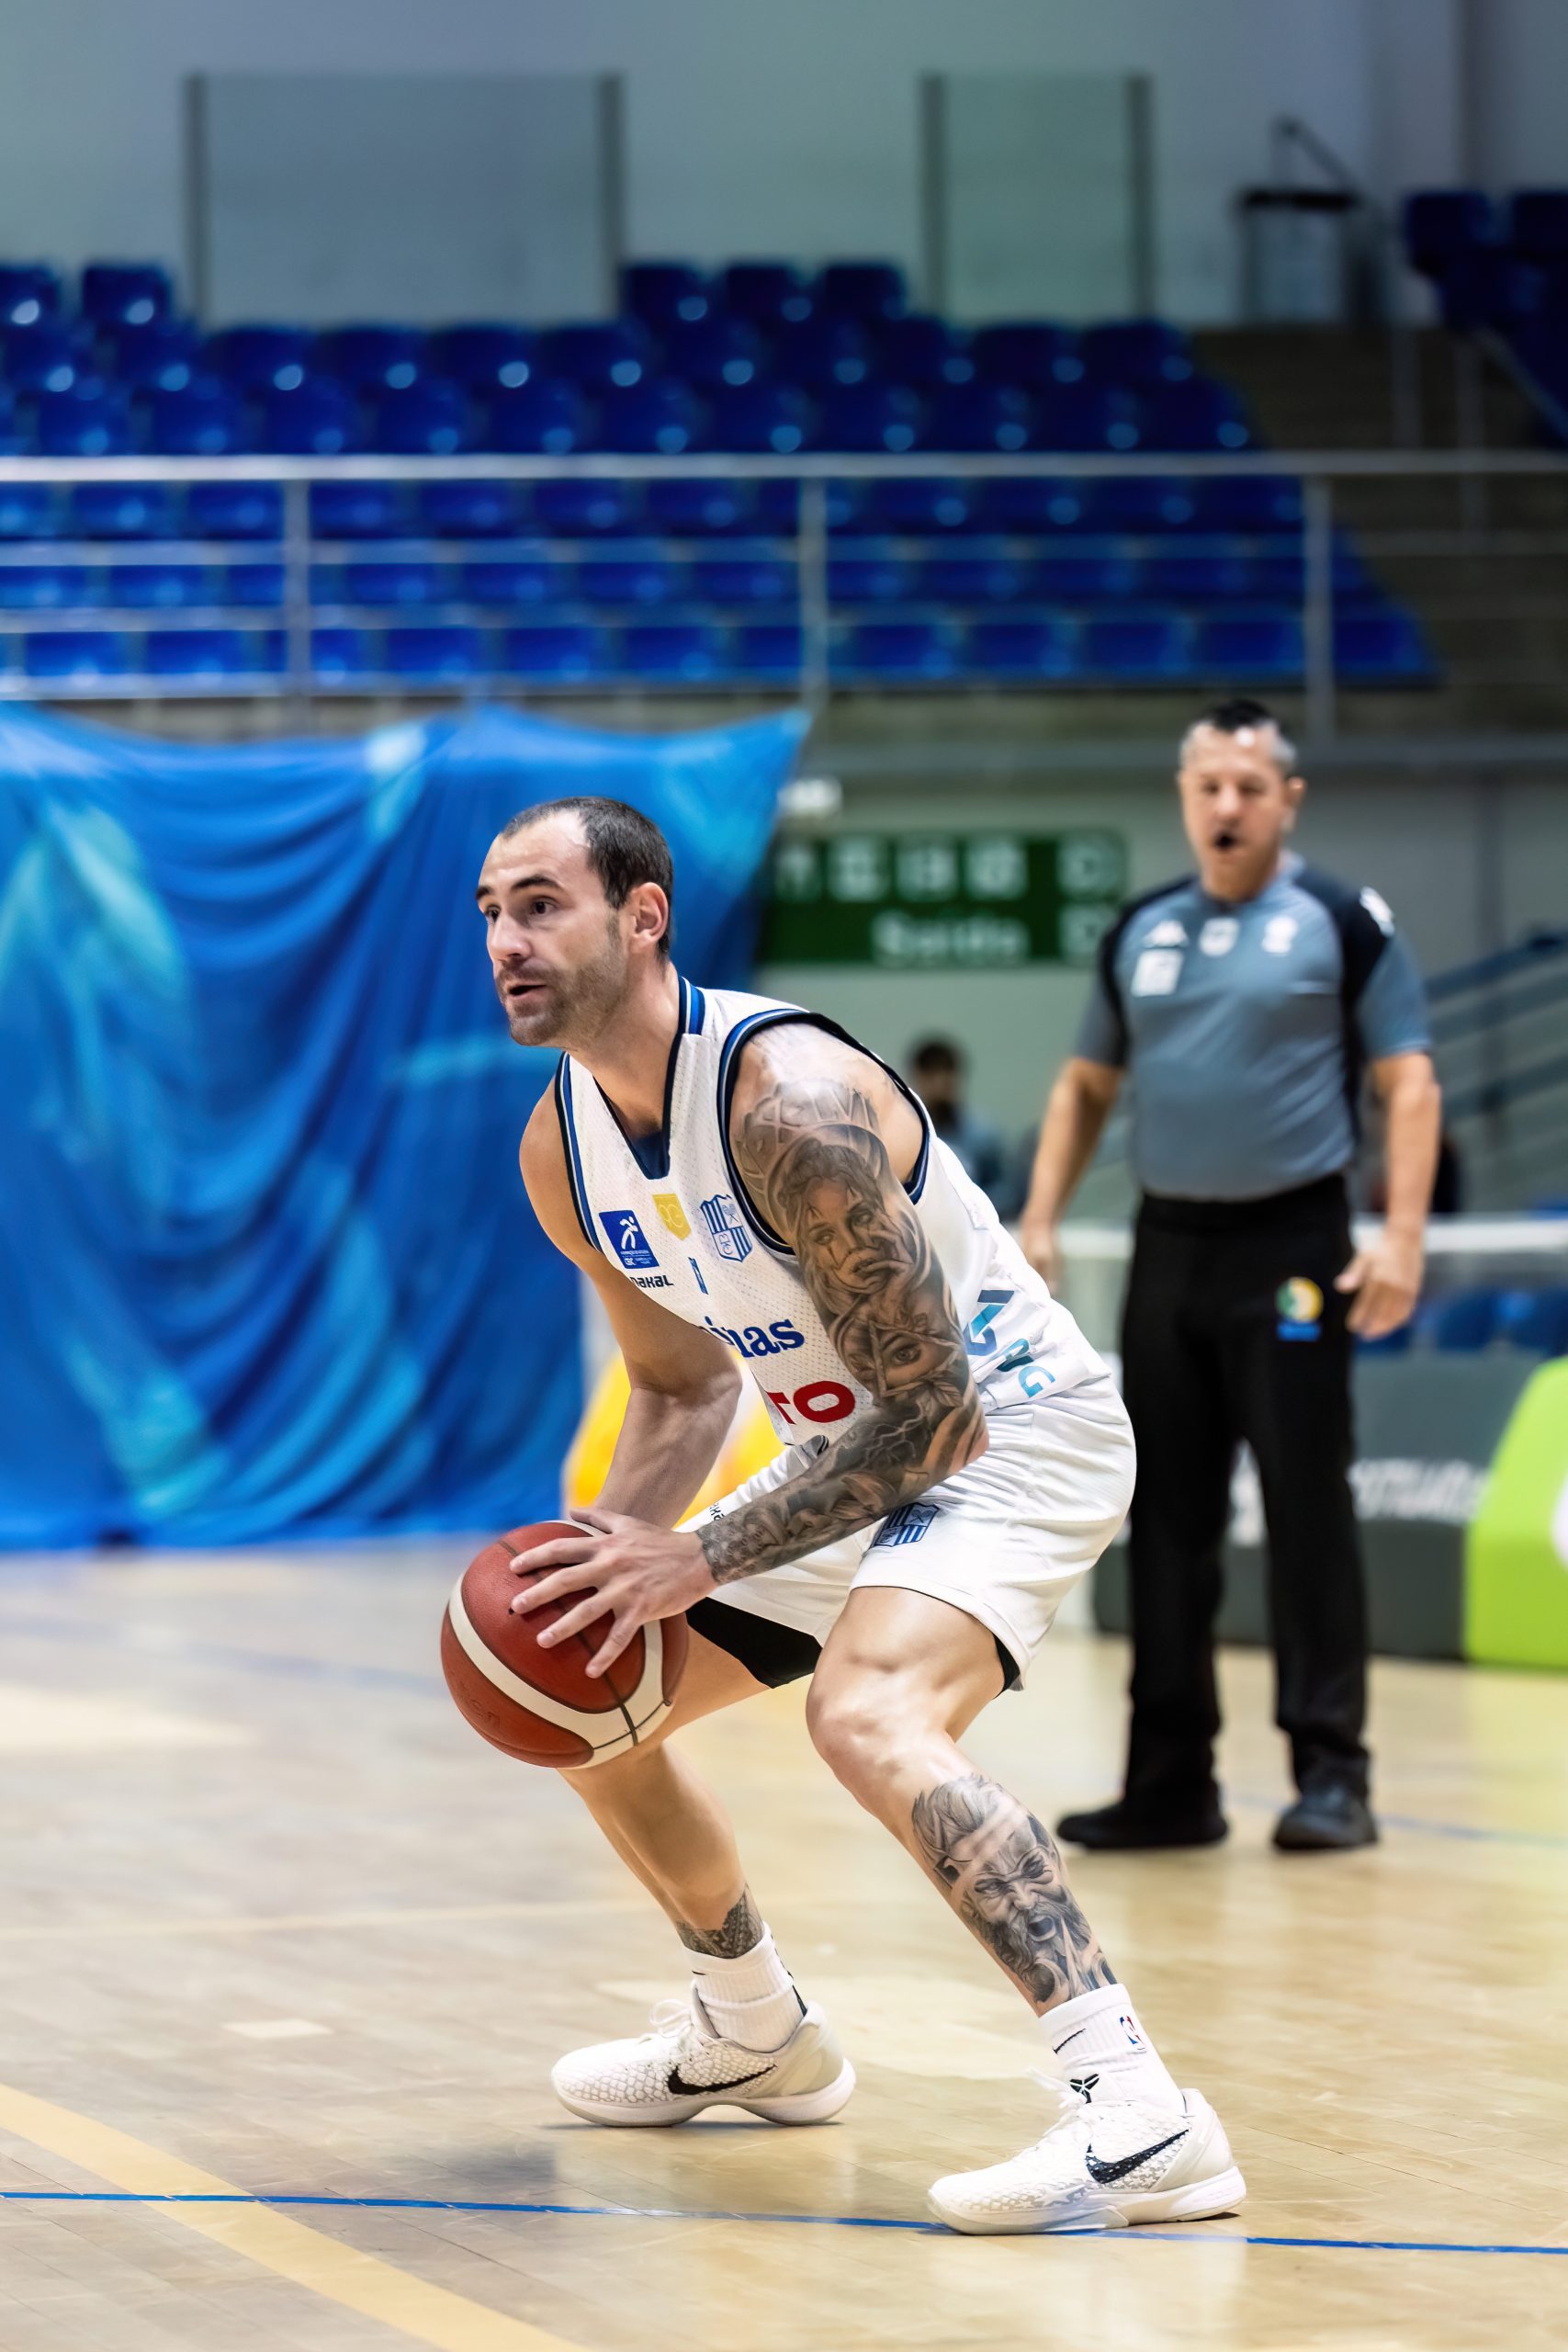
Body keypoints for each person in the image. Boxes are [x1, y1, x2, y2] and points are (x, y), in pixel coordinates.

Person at [475, 794, 1245, 2235]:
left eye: (539, 905)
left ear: (642, 918)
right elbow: (679, 1388)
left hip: (1013, 1430)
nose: (505, 942)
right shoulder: (561, 1153)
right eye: (490, 914)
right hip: (842, 1455)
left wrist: (698, 1551)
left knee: (866, 1712)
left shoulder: (787, 1106)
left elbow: (936, 1415)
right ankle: (750, 2026)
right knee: (585, 1691)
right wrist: (597, 1576)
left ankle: (1141, 2113)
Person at [1020, 698, 1439, 1856]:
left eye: (1250, 787)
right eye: (1208, 785)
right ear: (1184, 795)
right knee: (1165, 1515)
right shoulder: (1142, 928)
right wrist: (1040, 1216)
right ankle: (1170, 1785)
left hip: (1293, 1249)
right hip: (1172, 1248)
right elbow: (1084, 1083)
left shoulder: (1342, 920)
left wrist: (1401, 1236)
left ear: (1287, 799)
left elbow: (1408, 1081)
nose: (1227, 806)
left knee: (1307, 1504)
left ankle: (1333, 1774)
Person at [907, 1035, 1021, 1217]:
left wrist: (972, 1205)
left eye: (946, 1072)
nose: (939, 1083)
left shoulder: (983, 1134)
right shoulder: (907, 1135)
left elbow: (1007, 1193)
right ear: (918, 1078)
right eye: (931, 1074)